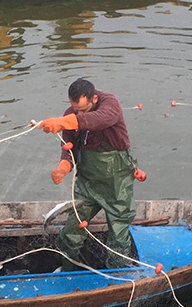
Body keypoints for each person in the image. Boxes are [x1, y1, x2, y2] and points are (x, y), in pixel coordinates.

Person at [38, 78, 136, 269]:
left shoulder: (110, 104)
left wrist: (65, 121)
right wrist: (63, 168)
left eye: (83, 109)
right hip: (87, 182)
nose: (79, 113)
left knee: (118, 233)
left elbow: (99, 119)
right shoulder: (70, 115)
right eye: (75, 109)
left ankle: (118, 275)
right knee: (71, 232)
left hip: (117, 181)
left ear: (94, 99)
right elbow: (69, 149)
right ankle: (69, 269)